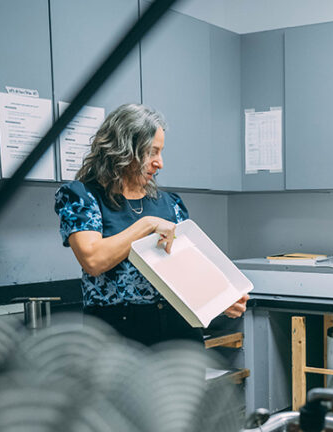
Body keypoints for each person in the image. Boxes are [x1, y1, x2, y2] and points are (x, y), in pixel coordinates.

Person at [54, 103, 248, 345]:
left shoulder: (170, 203)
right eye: (151, 152)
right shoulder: (82, 197)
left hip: (180, 332)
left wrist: (220, 301)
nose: (160, 163)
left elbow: (185, 269)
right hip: (117, 336)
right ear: (122, 149)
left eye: (161, 152)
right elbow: (93, 260)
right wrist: (146, 225)